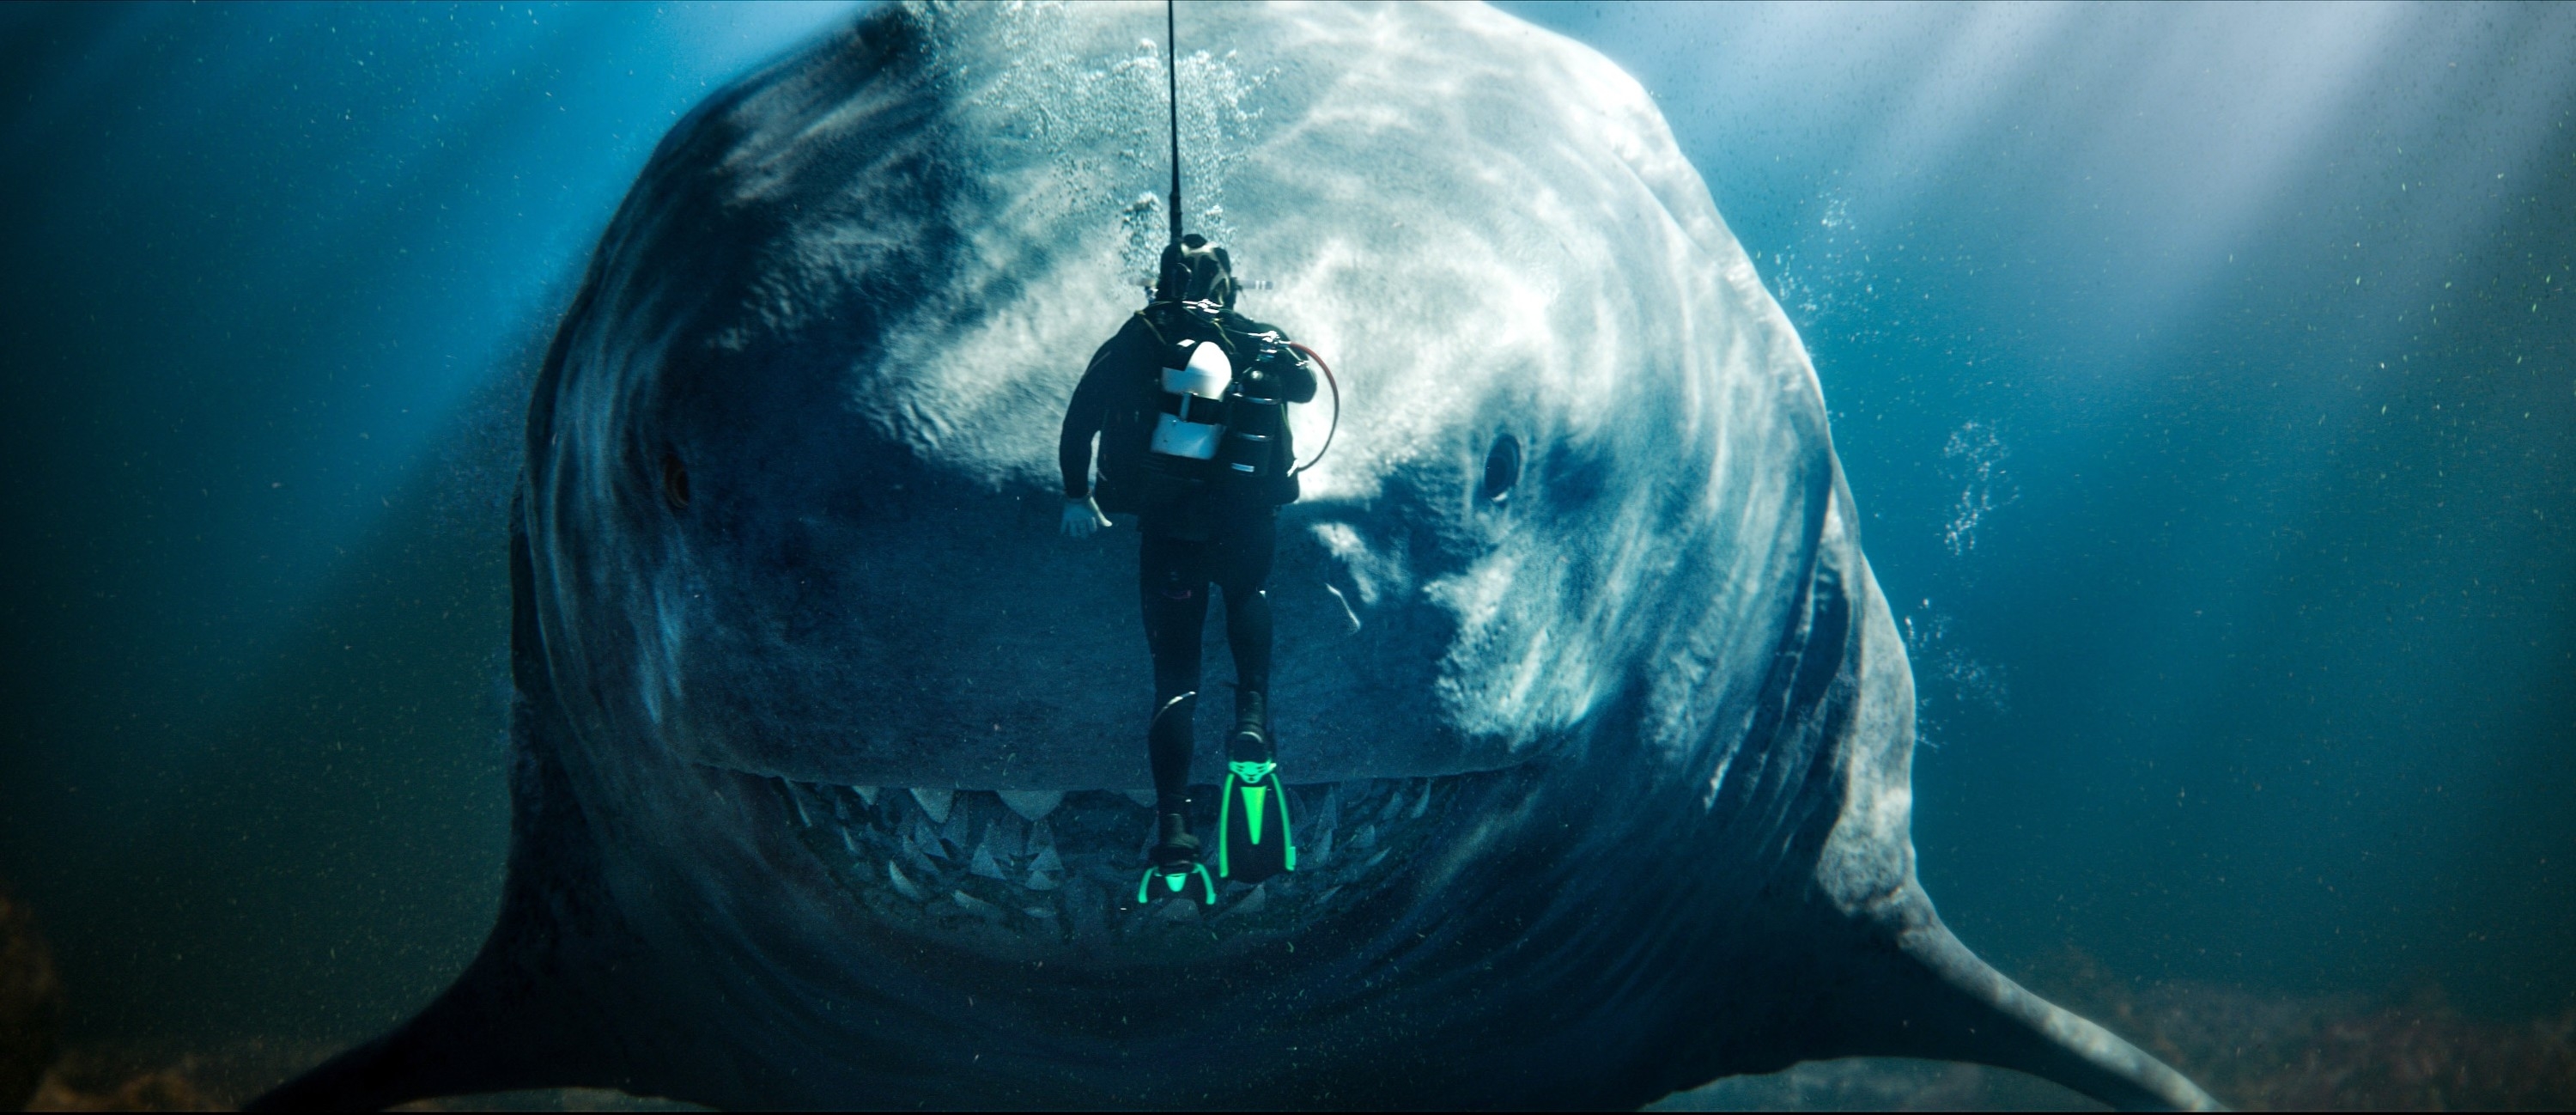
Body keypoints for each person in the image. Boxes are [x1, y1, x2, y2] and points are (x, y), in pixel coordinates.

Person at [1059, 234, 1316, 902]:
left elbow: (1082, 415)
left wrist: (1076, 493)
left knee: (1175, 674)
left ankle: (1174, 830)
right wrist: (1260, 347)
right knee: (1248, 595)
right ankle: (1252, 722)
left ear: (1158, 282)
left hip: (1171, 526)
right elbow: (1310, 388)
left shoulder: (1141, 335)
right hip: (1246, 520)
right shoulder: (1257, 333)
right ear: (1230, 283)